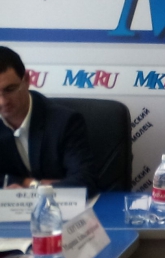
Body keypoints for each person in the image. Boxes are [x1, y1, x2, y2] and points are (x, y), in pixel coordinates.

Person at [0, 46, 96, 194]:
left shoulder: (65, 122)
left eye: (10, 89)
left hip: (60, 207)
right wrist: (30, 183)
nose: (3, 101)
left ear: (26, 80)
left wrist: (31, 189)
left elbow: (85, 181)